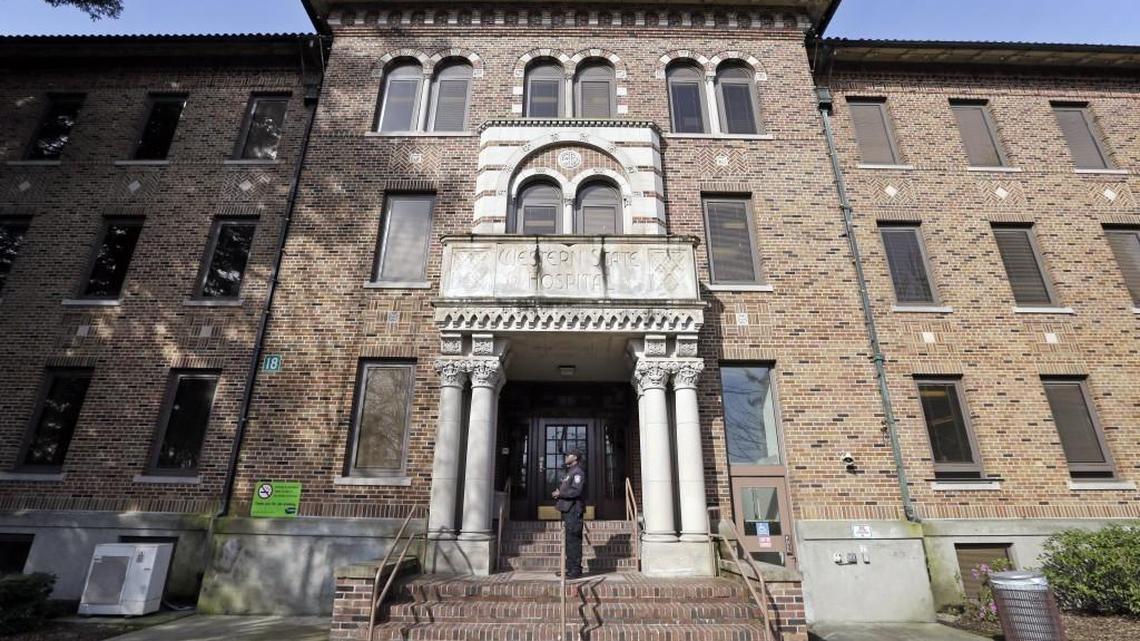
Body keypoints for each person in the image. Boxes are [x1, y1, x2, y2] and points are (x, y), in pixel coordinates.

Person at [552, 449, 586, 579]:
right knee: (569, 540)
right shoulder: (570, 472)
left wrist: (560, 494)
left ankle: (575, 570)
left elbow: (576, 491)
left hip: (574, 510)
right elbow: (569, 490)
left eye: (568, 454)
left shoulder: (578, 472)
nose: (566, 456)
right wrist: (560, 493)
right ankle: (570, 568)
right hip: (568, 510)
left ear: (575, 457)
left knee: (574, 541)